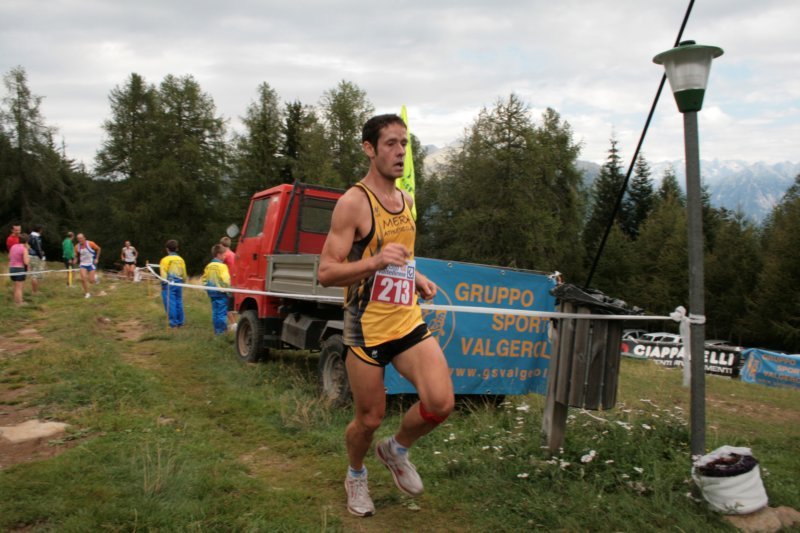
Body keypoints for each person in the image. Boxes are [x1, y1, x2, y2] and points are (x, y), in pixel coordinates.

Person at [317, 114, 454, 517]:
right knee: (369, 418)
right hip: (367, 329)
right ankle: (356, 474)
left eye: (404, 144)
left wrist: (417, 277)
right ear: (369, 148)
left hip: (406, 320)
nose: (399, 152)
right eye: (391, 143)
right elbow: (326, 272)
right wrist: (375, 262)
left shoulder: (407, 201)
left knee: (440, 403)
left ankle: (396, 450)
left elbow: (400, 255)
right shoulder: (353, 203)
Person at [201, 244, 231, 335]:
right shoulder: (222, 266)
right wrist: (229, 290)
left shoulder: (209, 266)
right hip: (221, 292)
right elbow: (226, 280)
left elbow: (204, 279)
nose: (225, 256)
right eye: (224, 255)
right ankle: (221, 332)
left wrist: (207, 288)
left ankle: (216, 329)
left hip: (212, 292)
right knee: (222, 312)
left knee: (215, 312)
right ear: (218, 255)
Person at [159, 239, 186, 328]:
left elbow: (163, 273)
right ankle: (180, 322)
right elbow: (184, 273)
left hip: (169, 283)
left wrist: (163, 283)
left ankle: (173, 323)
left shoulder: (164, 260)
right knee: (179, 301)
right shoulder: (181, 259)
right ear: (177, 248)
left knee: (170, 303)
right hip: (179, 282)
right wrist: (184, 281)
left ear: (167, 249)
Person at [74, 233, 101, 299]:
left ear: (84, 238)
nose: (79, 240)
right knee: (83, 278)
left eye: (81, 238)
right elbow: (76, 255)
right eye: (78, 239)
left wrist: (97, 258)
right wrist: (75, 260)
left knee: (91, 281)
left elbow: (98, 249)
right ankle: (87, 293)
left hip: (91, 263)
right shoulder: (77, 246)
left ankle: (95, 277)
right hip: (83, 264)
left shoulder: (90, 243)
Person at [220, 236, 237, 330]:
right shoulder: (233, 254)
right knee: (232, 304)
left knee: (226, 304)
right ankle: (234, 323)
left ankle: (234, 325)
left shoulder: (225, 255)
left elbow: (219, 266)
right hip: (235, 281)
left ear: (221, 245)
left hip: (228, 282)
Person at [8, 233, 30, 305]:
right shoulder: (24, 249)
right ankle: (19, 303)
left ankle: (16, 301)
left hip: (11, 269)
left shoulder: (13, 246)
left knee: (16, 287)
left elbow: (9, 257)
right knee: (19, 288)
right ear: (27, 241)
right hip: (20, 269)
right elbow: (26, 262)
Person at [27, 225, 46, 294]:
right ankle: (35, 291)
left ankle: (34, 291)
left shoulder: (29, 236)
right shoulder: (36, 237)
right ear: (40, 230)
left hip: (29, 256)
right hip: (35, 257)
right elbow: (38, 248)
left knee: (33, 274)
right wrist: (42, 257)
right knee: (35, 275)